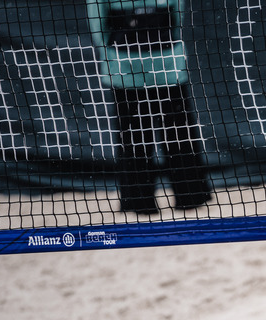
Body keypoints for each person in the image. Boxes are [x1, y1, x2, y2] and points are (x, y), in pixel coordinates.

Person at [86, 0, 212, 214]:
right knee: (176, 133)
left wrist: (114, 49)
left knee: (137, 137)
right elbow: (177, 17)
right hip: (153, 62)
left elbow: (98, 24)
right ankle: (190, 195)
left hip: (132, 63)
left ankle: (140, 201)